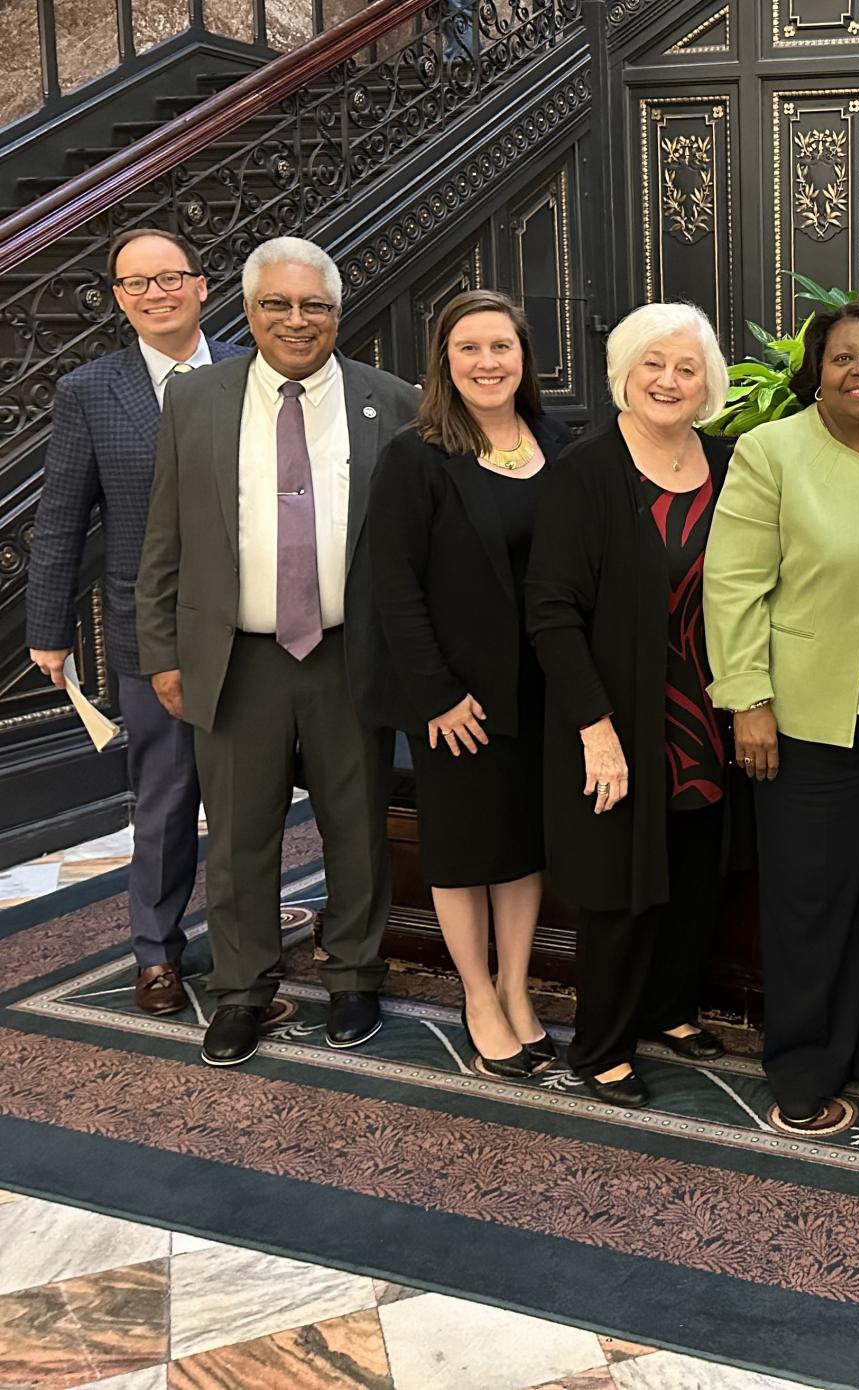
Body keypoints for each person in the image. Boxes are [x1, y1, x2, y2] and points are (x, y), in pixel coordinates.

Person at [134, 235, 418, 1066]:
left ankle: (356, 976)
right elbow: (164, 537)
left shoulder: (391, 402)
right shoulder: (196, 402)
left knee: (357, 826)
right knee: (239, 834)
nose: (297, 321)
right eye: (278, 304)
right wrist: (162, 652)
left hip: (347, 654)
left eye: (314, 305)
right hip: (236, 656)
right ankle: (241, 989)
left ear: (337, 312)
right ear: (249, 311)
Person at [705, 300, 859, 1129]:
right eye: (843, 357)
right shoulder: (771, 451)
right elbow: (734, 583)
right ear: (817, 370)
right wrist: (749, 700)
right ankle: (804, 1057)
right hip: (809, 723)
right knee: (809, 900)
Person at [26, 227, 250, 1017]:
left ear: (201, 284)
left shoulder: (252, 371)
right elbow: (59, 519)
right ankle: (157, 954)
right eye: (136, 284)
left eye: (169, 278)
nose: (155, 294)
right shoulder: (91, 389)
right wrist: (47, 628)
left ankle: (244, 951)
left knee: (246, 800)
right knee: (163, 796)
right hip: (147, 632)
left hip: (253, 627)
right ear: (120, 300)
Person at [525, 302, 736, 1108]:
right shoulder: (586, 470)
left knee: (689, 876)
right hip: (616, 714)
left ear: (707, 383)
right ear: (623, 373)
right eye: (653, 363)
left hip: (705, 711)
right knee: (619, 886)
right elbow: (550, 608)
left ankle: (668, 1008)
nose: (669, 380)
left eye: (686, 368)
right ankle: (601, 1046)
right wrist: (595, 729)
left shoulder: (729, 461)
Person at [364, 290, 569, 1077]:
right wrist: (438, 694)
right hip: (458, 698)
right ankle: (477, 996)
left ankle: (517, 990)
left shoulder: (557, 440)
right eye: (469, 349)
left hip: (542, 690)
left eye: (502, 347)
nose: (488, 363)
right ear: (444, 363)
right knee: (461, 850)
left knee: (520, 847)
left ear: (525, 357)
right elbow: (395, 586)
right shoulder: (417, 455)